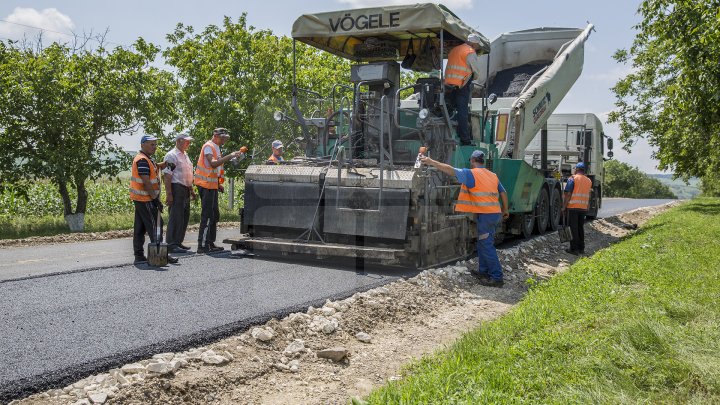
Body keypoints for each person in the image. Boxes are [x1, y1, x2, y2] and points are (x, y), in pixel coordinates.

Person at [421, 150, 509, 287]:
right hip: (493, 214)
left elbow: (450, 170)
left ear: (472, 160)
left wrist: (431, 162)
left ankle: (497, 278)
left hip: (486, 216)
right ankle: (483, 272)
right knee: (482, 243)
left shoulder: (471, 174)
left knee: (487, 245)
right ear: (482, 161)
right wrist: (506, 209)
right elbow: (503, 192)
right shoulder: (492, 175)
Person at [193, 127, 244, 254]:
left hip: (212, 185)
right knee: (207, 216)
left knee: (214, 215)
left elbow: (215, 170)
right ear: (216, 136)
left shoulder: (216, 147)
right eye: (222, 138)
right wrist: (230, 155)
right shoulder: (209, 146)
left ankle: (210, 243)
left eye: (225, 138)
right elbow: (213, 164)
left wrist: (217, 184)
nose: (224, 141)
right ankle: (202, 245)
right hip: (205, 185)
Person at [130, 135, 178, 264]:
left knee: (140, 227)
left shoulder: (146, 159)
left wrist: (164, 165)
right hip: (146, 198)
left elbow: (154, 167)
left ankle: (139, 255)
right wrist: (155, 199)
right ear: (143, 145)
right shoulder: (142, 160)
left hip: (141, 198)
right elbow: (146, 181)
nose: (155, 147)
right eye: (152, 144)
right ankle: (160, 255)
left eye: (155, 144)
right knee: (156, 226)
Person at [445, 33, 485, 146]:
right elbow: (476, 71)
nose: (477, 47)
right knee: (463, 112)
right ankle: (465, 140)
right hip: (461, 85)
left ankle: (447, 135)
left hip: (448, 85)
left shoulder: (454, 50)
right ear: (474, 43)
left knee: (448, 110)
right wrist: (473, 78)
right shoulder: (470, 52)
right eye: (477, 45)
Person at [163, 133, 196, 253]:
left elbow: (187, 173)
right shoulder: (172, 155)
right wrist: (169, 194)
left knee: (184, 217)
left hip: (185, 188)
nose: (189, 143)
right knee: (176, 216)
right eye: (186, 141)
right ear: (179, 141)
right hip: (176, 187)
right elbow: (167, 176)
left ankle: (178, 241)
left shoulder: (185, 155)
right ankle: (171, 243)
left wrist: (191, 189)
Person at [562, 162, 592, 255]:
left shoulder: (572, 179)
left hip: (573, 207)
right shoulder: (588, 181)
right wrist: (587, 206)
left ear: (576, 169)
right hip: (583, 208)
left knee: (573, 228)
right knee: (580, 228)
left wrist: (564, 206)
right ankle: (581, 248)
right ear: (584, 170)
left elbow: (568, 194)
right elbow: (589, 195)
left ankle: (574, 249)